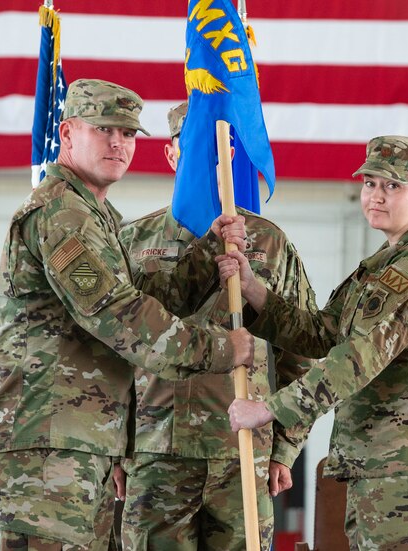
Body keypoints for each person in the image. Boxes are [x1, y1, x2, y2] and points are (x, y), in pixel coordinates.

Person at [0, 79, 254, 551]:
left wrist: (212, 249)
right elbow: (117, 313)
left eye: (128, 134)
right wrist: (219, 349)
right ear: (67, 134)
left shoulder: (98, 216)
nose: (118, 144)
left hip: (87, 440)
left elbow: (145, 294)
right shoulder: (60, 214)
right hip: (51, 441)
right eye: (104, 129)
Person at [218, 136, 408, 550]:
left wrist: (270, 410)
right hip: (388, 469)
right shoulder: (385, 264)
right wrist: (255, 291)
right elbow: (322, 333)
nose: (376, 196)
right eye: (370, 183)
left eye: (393, 186)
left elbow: (357, 359)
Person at [117, 102, 317, 551]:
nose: (211, 161)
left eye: (221, 150)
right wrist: (116, 446)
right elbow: (112, 350)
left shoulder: (269, 242)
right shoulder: (134, 241)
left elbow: (301, 349)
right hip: (156, 451)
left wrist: (284, 447)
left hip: (242, 450)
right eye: (194, 149)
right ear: (171, 157)